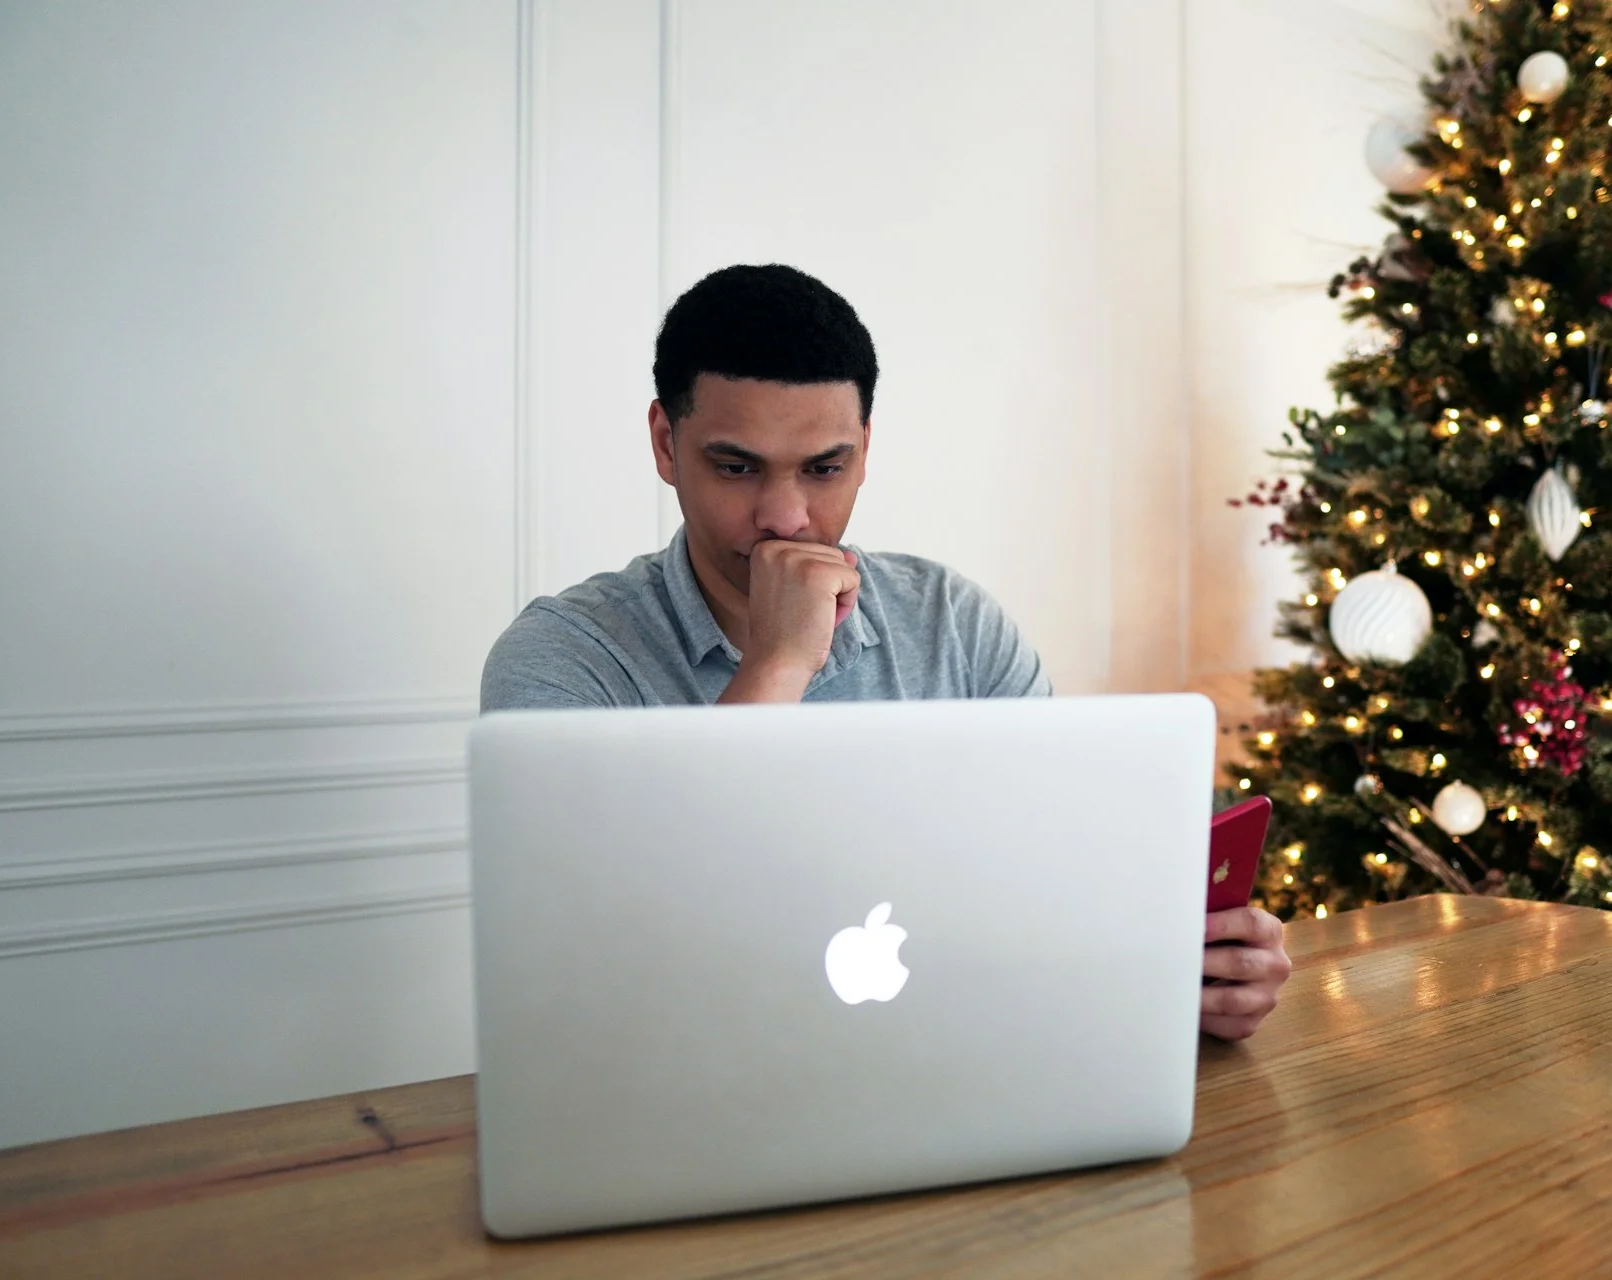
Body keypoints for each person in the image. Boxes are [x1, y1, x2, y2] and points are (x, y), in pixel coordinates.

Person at [482, 264, 1290, 1042]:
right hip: (684, 1090)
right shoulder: (562, 657)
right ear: (666, 443)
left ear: (864, 448)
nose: (786, 516)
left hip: (948, 1056)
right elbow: (596, 963)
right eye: (736, 467)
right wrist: (777, 664)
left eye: (824, 468)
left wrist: (1183, 976)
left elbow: (1053, 885)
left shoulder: (954, 624)